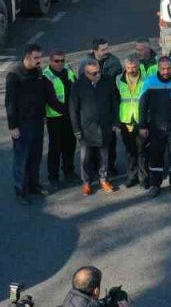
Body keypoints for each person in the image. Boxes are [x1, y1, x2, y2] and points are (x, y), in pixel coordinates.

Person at [6, 44, 64, 204]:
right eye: (36, 58)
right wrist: (13, 126)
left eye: (40, 57)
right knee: (21, 159)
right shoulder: (14, 75)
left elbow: (44, 96)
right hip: (22, 124)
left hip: (37, 121)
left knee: (35, 156)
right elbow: (10, 103)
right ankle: (21, 191)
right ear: (27, 56)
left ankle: (34, 185)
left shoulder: (38, 72)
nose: (40, 61)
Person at [140, 57, 171, 197]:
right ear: (158, 68)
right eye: (162, 69)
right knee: (155, 157)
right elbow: (142, 106)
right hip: (156, 128)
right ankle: (155, 185)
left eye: (168, 68)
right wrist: (142, 125)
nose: (165, 71)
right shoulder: (149, 82)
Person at [71, 58, 119, 195]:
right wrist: (76, 129)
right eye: (93, 73)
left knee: (104, 155)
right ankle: (86, 182)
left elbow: (114, 102)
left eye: (98, 72)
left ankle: (103, 179)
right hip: (86, 129)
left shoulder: (108, 81)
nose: (97, 75)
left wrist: (115, 122)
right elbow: (73, 109)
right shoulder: (78, 85)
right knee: (85, 157)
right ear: (86, 73)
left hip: (104, 126)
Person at [44, 49, 78, 191]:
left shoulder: (68, 71)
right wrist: (67, 111)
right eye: (57, 61)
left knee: (70, 145)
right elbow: (51, 100)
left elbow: (75, 89)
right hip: (55, 117)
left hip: (69, 116)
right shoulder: (46, 76)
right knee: (55, 148)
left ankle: (69, 172)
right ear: (51, 61)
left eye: (62, 60)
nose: (60, 63)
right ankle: (53, 176)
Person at [116, 54, 148, 189]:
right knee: (130, 151)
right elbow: (116, 99)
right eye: (128, 67)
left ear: (138, 65)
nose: (131, 70)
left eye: (133, 67)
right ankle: (131, 176)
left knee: (142, 151)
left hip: (140, 120)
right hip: (126, 120)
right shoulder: (118, 79)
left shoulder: (146, 79)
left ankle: (143, 178)